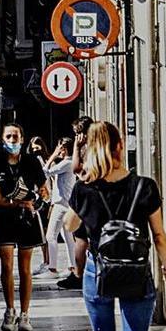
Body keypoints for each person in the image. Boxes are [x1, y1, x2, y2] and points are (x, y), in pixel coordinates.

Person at [66, 122, 166, 331]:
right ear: (120, 146)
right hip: (136, 269)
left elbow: (70, 225)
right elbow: (158, 235)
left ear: (90, 149)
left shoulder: (84, 188)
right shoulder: (145, 186)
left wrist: (84, 187)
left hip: (97, 268)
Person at [0, 123, 49, 331]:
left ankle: (25, 315)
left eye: (16, 137)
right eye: (9, 136)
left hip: (27, 220)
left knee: (25, 268)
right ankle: (9, 311)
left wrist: (36, 201)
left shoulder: (32, 162)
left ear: (22, 139)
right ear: (3, 139)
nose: (12, 140)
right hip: (5, 219)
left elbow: (44, 191)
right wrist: (18, 203)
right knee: (7, 266)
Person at [57, 116, 95, 290]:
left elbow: (76, 169)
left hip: (86, 194)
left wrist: (76, 147)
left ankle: (79, 274)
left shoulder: (86, 148)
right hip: (97, 194)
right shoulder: (100, 146)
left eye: (77, 133)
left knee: (80, 237)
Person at [43, 137, 78, 279]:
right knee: (68, 236)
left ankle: (52, 268)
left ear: (64, 149)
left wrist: (52, 156)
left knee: (50, 235)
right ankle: (72, 266)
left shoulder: (66, 163)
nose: (59, 151)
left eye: (60, 148)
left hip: (61, 204)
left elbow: (45, 172)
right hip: (66, 204)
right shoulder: (69, 163)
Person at [27, 136, 53, 276]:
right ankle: (47, 261)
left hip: (46, 200)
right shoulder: (35, 162)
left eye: (38, 148)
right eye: (33, 148)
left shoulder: (45, 162)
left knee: (47, 233)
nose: (36, 151)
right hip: (42, 200)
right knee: (45, 233)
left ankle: (48, 262)